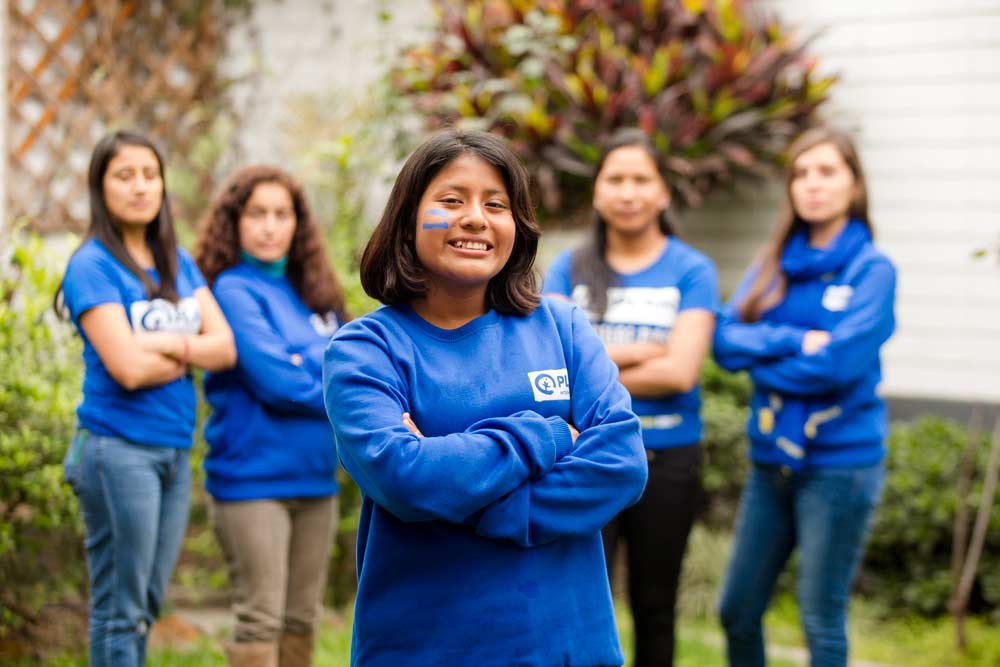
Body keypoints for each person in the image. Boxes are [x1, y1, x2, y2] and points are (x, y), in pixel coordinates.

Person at [322, 129, 648, 667]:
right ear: (408, 219)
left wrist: (472, 498)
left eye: (496, 205)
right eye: (451, 201)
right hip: (425, 647)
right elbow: (404, 478)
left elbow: (622, 465)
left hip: (568, 643)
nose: (476, 218)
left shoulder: (561, 327)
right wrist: (546, 434)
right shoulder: (364, 350)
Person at [713, 126, 895, 667]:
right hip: (770, 460)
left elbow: (838, 366)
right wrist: (793, 342)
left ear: (854, 185)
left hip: (840, 465)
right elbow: (724, 341)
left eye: (827, 171)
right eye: (802, 173)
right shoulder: (772, 265)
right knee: (737, 611)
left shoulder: (872, 270)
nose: (812, 184)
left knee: (820, 617)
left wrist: (764, 366)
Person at [58, 130, 236, 667]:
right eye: (124, 175)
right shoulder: (91, 266)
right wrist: (189, 351)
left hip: (173, 450)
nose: (140, 186)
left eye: (149, 174)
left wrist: (165, 343)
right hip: (118, 449)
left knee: (145, 605)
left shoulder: (176, 261)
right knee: (121, 608)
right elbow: (128, 369)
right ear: (100, 186)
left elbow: (225, 347)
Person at [544, 128, 719, 667]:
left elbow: (681, 373)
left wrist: (594, 356)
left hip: (667, 460)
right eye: (615, 179)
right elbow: (552, 370)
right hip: (583, 456)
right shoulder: (567, 269)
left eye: (641, 179)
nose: (628, 192)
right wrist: (644, 348)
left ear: (663, 192)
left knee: (655, 607)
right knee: (575, 604)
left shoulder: (692, 269)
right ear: (597, 192)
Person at [194, 165, 347, 667]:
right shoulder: (234, 290)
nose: (269, 226)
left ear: (297, 224)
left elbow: (354, 366)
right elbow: (277, 383)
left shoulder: (314, 292)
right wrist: (320, 372)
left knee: (303, 618)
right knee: (261, 617)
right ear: (234, 222)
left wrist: (305, 363)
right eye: (257, 213)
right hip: (253, 482)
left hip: (317, 481)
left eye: (282, 214)